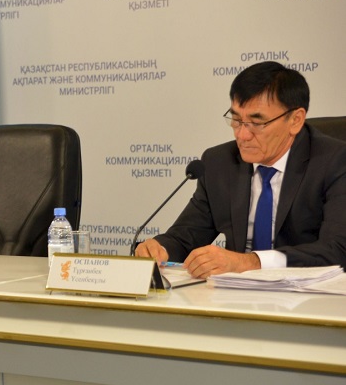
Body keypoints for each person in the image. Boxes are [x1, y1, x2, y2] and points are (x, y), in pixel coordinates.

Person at [135, 61, 346, 278]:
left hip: (307, 292)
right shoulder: (219, 162)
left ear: (295, 120)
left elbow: (337, 250)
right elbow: (185, 237)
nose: (242, 135)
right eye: (236, 120)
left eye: (257, 123)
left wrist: (250, 262)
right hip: (234, 293)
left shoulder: (335, 162)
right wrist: (160, 248)